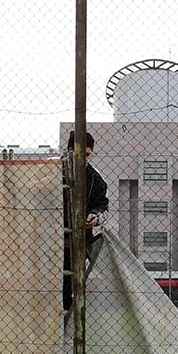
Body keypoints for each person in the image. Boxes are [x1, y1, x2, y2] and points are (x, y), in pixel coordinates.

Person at [62, 131, 109, 311]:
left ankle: (70, 329)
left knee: (72, 287)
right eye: (79, 154)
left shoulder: (96, 181)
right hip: (50, 240)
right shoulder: (53, 173)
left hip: (78, 243)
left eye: (87, 155)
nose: (83, 159)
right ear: (68, 151)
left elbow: (102, 206)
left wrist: (95, 216)